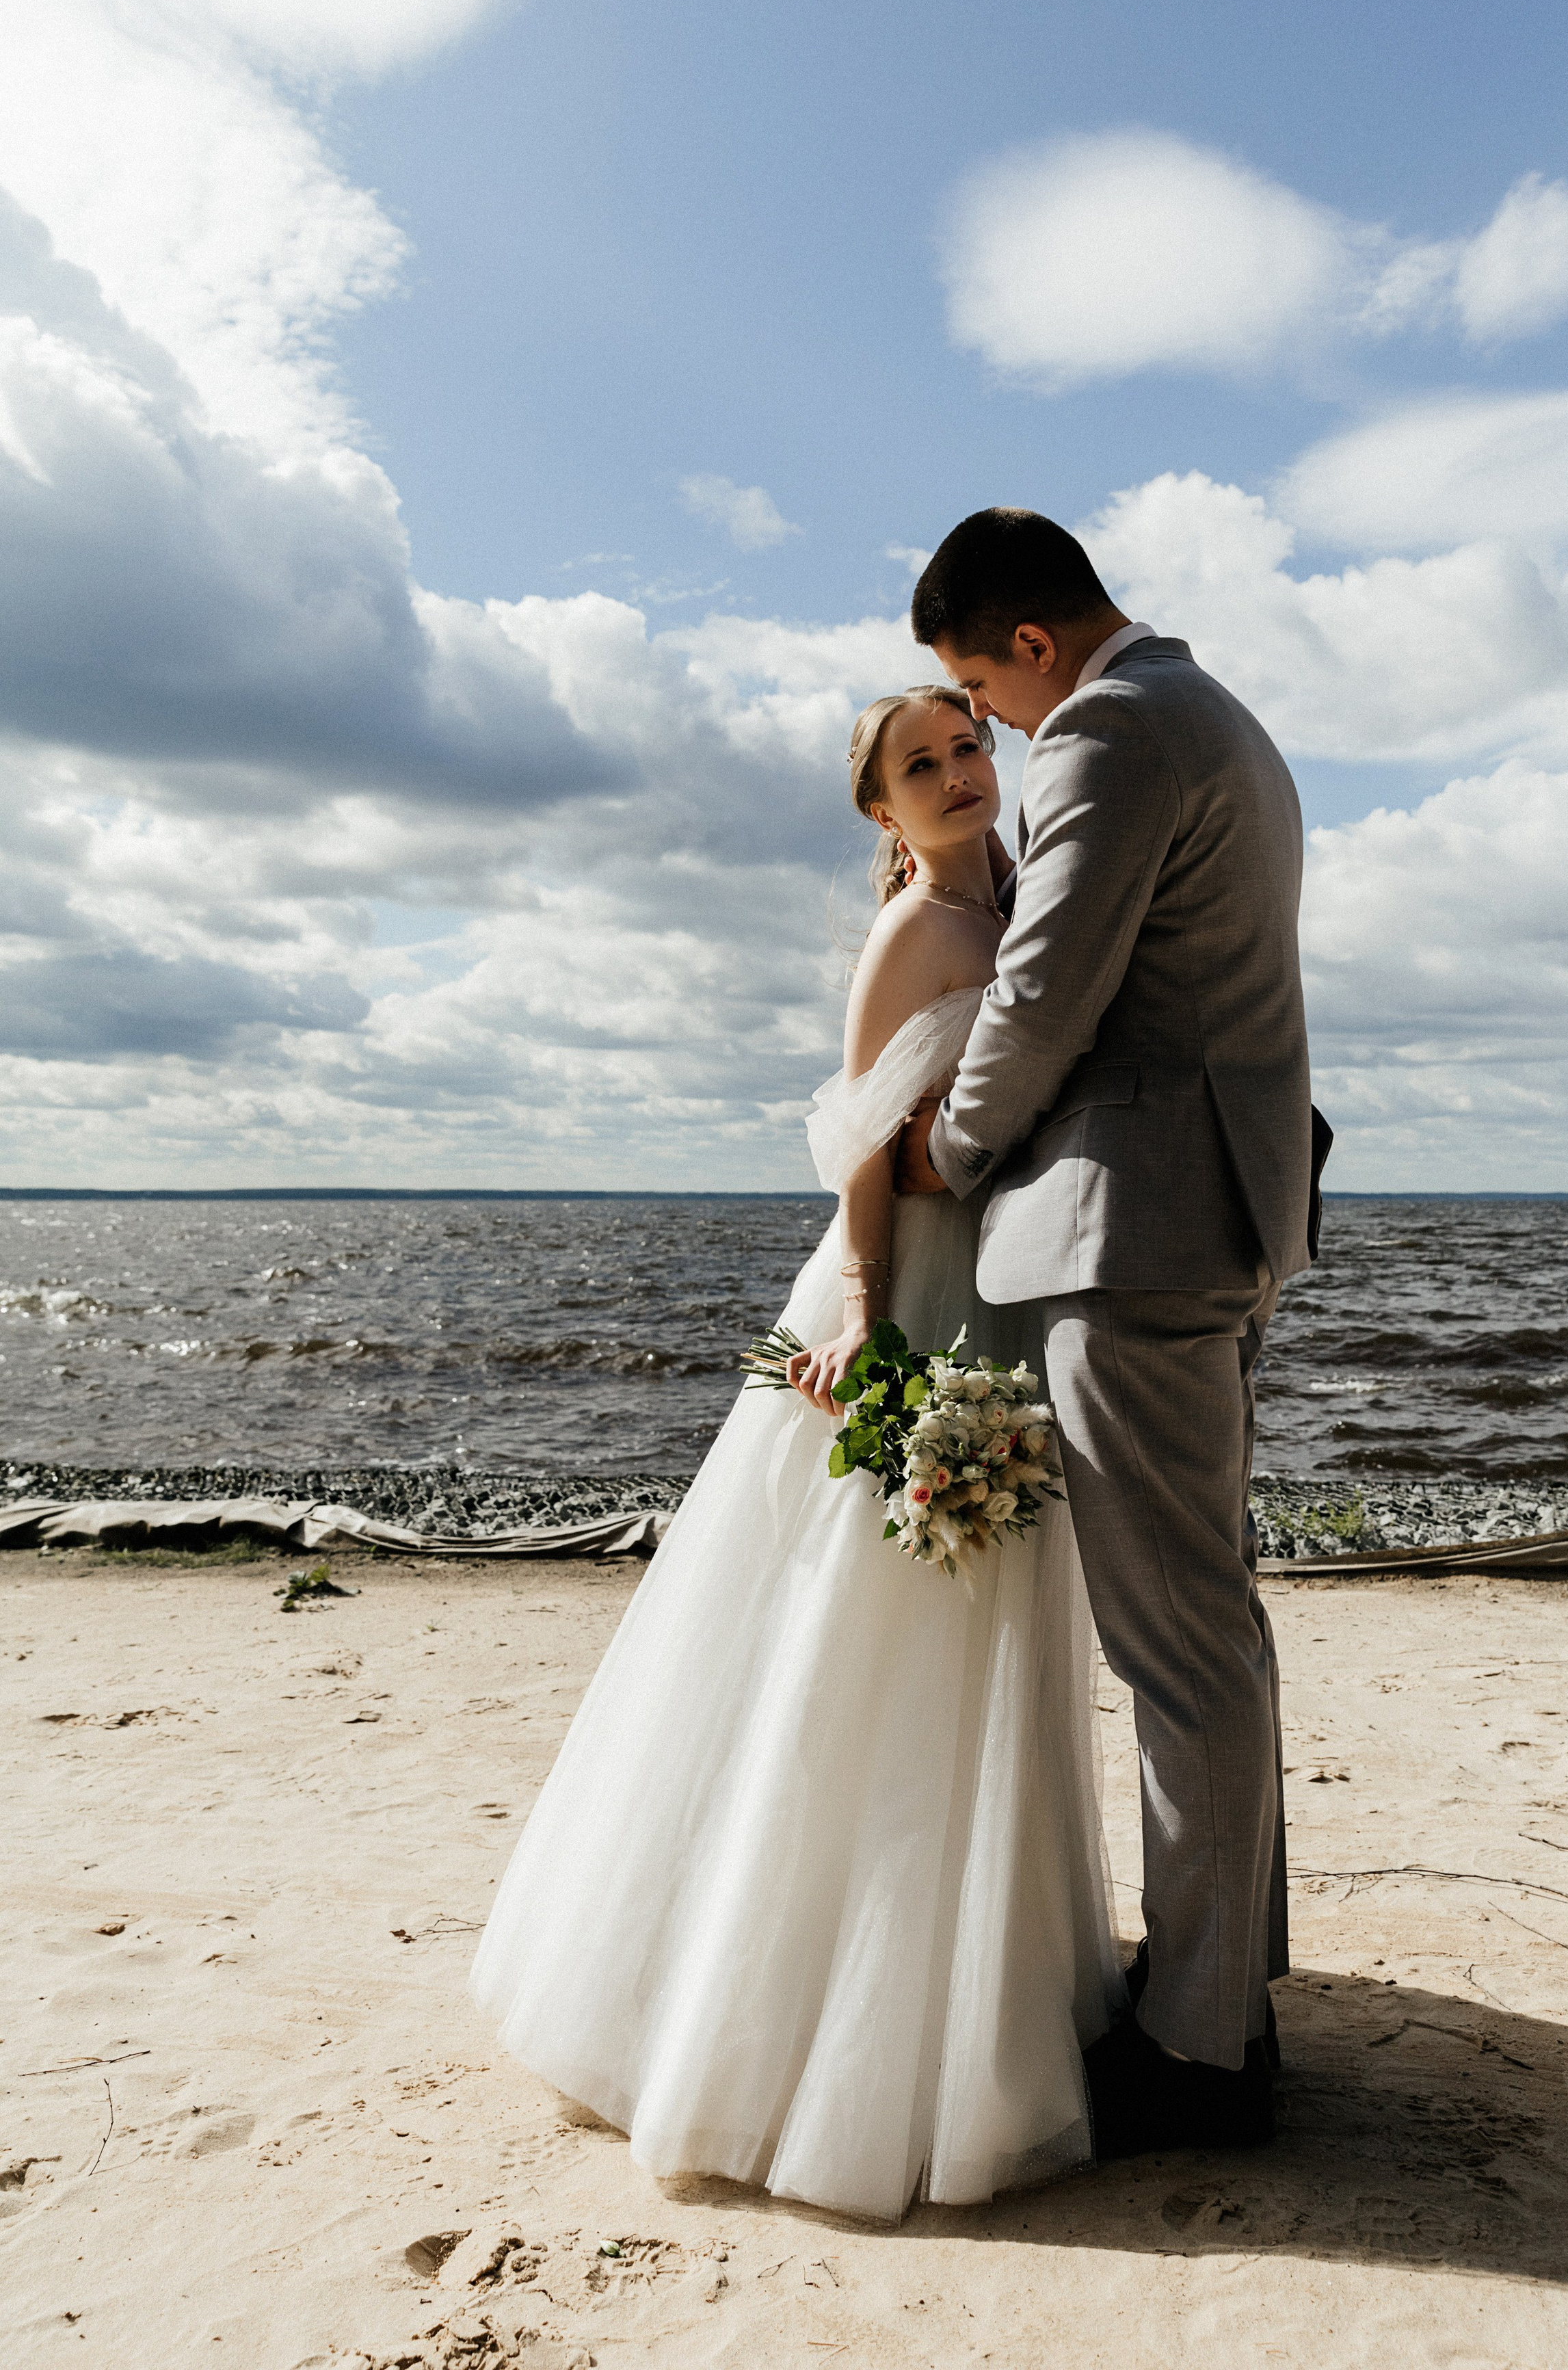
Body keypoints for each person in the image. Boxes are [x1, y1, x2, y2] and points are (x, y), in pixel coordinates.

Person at [470, 682, 1122, 2224]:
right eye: (921, 765)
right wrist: (863, 1324)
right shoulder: (914, 935)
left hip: (1006, 1303)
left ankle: (987, 1996)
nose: (959, 773)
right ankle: (784, 2028)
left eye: (969, 748)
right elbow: (855, 1148)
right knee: (855, 1642)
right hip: (907, 1304)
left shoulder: (1027, 902)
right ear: (878, 810)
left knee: (986, 1642)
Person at [896, 505, 1314, 2158]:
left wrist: (942, 1151)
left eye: (976, 693)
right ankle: (1230, 1987)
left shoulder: (1110, 731)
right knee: (1211, 1621)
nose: (989, 729)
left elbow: (1047, 989)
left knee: (1175, 1644)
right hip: (1215, 1212)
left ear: (1027, 644)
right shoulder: (1225, 722)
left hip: (1129, 1225)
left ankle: (1201, 2050)